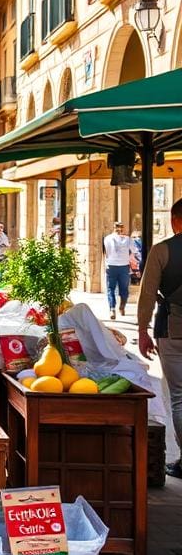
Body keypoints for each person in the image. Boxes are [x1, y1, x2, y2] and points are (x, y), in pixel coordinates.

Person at [138, 197, 182, 479]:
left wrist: (142, 331)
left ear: (175, 220)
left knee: (179, 397)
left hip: (173, 331)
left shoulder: (163, 250)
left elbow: (147, 295)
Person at [103, 220, 133, 319]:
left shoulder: (107, 238)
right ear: (122, 228)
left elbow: (107, 252)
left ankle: (112, 309)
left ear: (114, 228)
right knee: (124, 289)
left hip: (111, 265)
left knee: (110, 288)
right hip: (124, 266)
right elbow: (134, 251)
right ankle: (122, 306)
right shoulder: (128, 239)